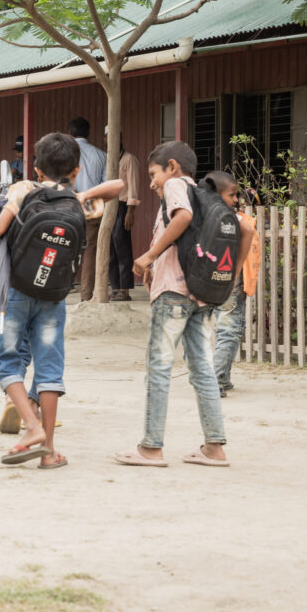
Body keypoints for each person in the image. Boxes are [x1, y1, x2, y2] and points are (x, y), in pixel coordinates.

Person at [0, 132, 121, 469]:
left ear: (35, 168)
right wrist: (78, 192)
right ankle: (48, 451)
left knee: (7, 362)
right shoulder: (78, 202)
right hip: (53, 296)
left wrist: (18, 194)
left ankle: (32, 428)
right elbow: (117, 187)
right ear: (76, 170)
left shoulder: (23, 191)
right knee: (49, 367)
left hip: (17, 292)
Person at [114, 141, 242, 469]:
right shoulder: (205, 195)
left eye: (154, 173)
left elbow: (182, 218)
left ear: (172, 167)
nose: (153, 182)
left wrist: (150, 256)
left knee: (159, 367)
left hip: (173, 295)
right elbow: (244, 230)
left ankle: (151, 448)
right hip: (201, 294)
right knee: (202, 370)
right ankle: (214, 447)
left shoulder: (176, 186)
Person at [209, 172, 260, 397]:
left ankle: (223, 377)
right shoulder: (229, 217)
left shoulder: (204, 216)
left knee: (224, 328)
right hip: (230, 280)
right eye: (232, 195)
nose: (236, 199)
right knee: (230, 329)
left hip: (212, 279)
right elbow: (248, 232)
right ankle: (215, 379)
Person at [69, 117, 107, 302]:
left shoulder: (64, 153)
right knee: (91, 250)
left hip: (68, 204)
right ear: (88, 133)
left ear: (70, 133)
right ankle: (86, 296)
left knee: (62, 245)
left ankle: (57, 292)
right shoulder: (101, 155)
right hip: (92, 205)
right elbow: (105, 185)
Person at [105, 128, 141, 302]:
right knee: (110, 249)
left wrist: (131, 211)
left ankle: (125, 289)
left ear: (120, 138)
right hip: (108, 206)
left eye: (115, 137)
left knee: (122, 248)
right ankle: (115, 287)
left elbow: (133, 186)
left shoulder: (129, 159)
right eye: (108, 137)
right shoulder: (108, 160)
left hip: (122, 206)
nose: (111, 140)